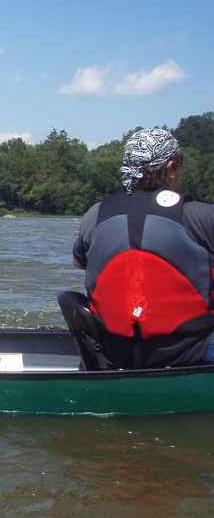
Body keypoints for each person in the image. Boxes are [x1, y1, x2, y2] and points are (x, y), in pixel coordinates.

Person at [72, 128, 214, 367]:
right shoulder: (202, 216)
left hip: (114, 352)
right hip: (189, 353)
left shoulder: (95, 215)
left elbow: (79, 262)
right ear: (171, 167)